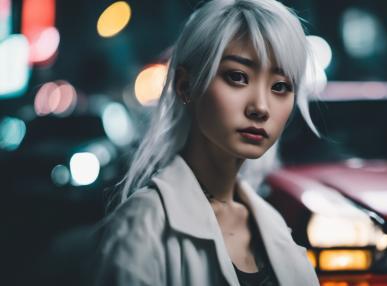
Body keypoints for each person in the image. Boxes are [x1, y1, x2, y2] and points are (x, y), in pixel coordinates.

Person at [90, 0, 321, 285]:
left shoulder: (273, 226)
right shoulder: (142, 227)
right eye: (238, 77)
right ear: (186, 86)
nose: (261, 107)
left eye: (280, 86)